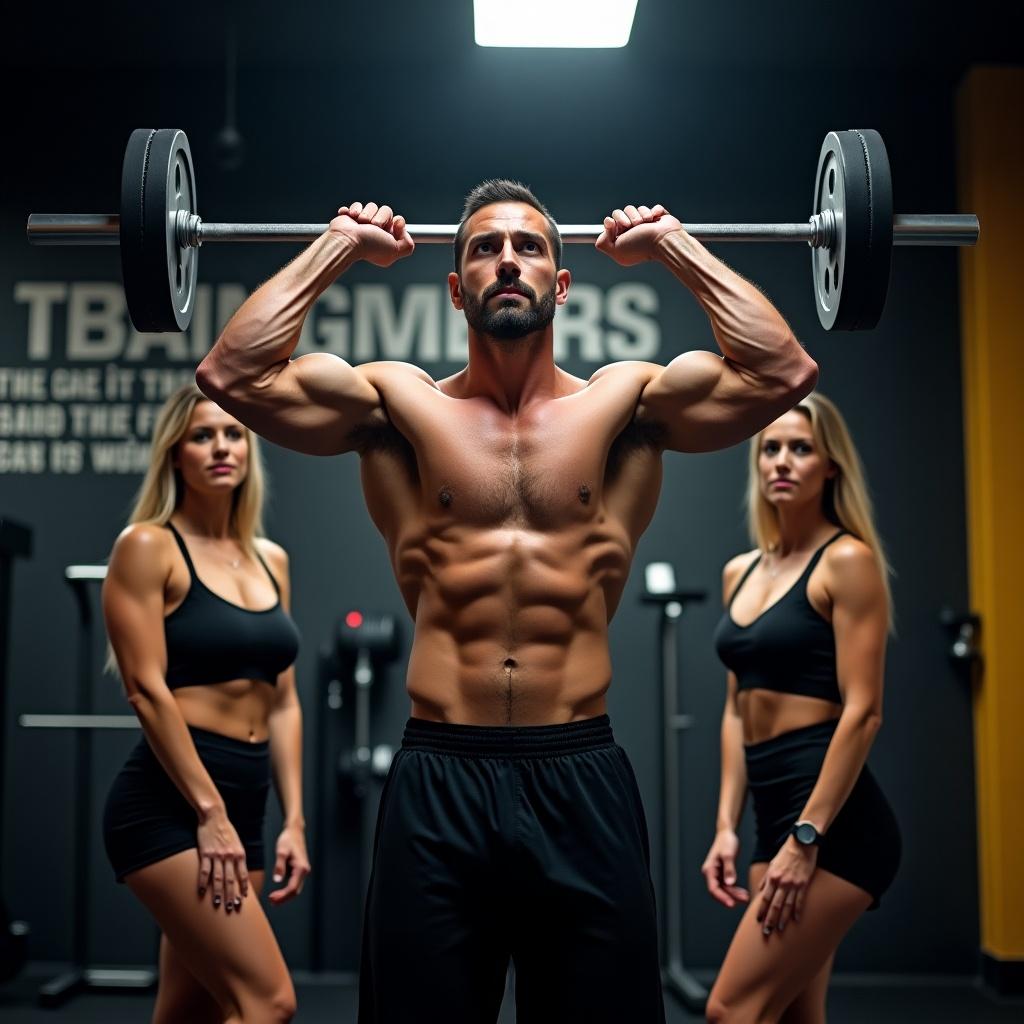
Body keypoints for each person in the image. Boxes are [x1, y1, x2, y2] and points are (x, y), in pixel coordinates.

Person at [196, 184, 818, 1022]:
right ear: (456, 288)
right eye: (484, 249)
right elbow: (233, 373)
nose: (508, 262)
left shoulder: (626, 405)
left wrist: (674, 246)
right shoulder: (397, 406)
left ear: (562, 284)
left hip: (581, 774)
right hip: (439, 778)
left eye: (529, 247)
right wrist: (338, 244)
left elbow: (781, 371)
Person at [101, 383, 310, 1024]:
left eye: (233, 434)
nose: (221, 447)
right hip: (172, 802)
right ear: (175, 455)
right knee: (269, 1003)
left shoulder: (270, 561)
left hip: (245, 802)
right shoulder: (148, 547)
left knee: (192, 1011)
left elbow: (283, 702)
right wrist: (209, 811)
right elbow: (145, 687)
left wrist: (293, 819)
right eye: (202, 436)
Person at [702, 392, 901, 1023]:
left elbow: (864, 712)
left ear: (831, 465)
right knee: (793, 1016)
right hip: (772, 813)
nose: (782, 461)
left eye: (801, 448)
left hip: (833, 824)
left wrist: (806, 836)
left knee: (730, 1010)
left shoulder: (845, 562)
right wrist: (727, 824)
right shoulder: (741, 572)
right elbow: (737, 711)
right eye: (771, 448)